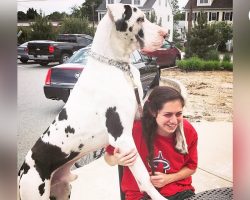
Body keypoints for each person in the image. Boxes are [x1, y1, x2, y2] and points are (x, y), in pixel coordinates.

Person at [104, 85, 198, 200]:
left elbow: (191, 167)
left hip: (179, 191)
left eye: (178, 114)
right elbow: (108, 157)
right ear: (153, 112)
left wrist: (169, 178)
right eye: (167, 114)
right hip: (140, 194)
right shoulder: (134, 130)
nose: (174, 121)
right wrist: (117, 159)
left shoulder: (187, 130)